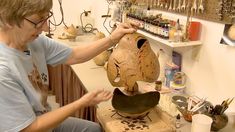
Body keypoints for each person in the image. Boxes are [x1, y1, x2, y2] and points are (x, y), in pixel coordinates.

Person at [0, 0, 139, 131]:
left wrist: (112, 39)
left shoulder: (35, 42)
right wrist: (80, 103)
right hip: (29, 127)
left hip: (41, 118)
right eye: (37, 21)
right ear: (9, 20)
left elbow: (74, 55)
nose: (46, 27)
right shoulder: (3, 70)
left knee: (94, 129)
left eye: (46, 18)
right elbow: (29, 128)